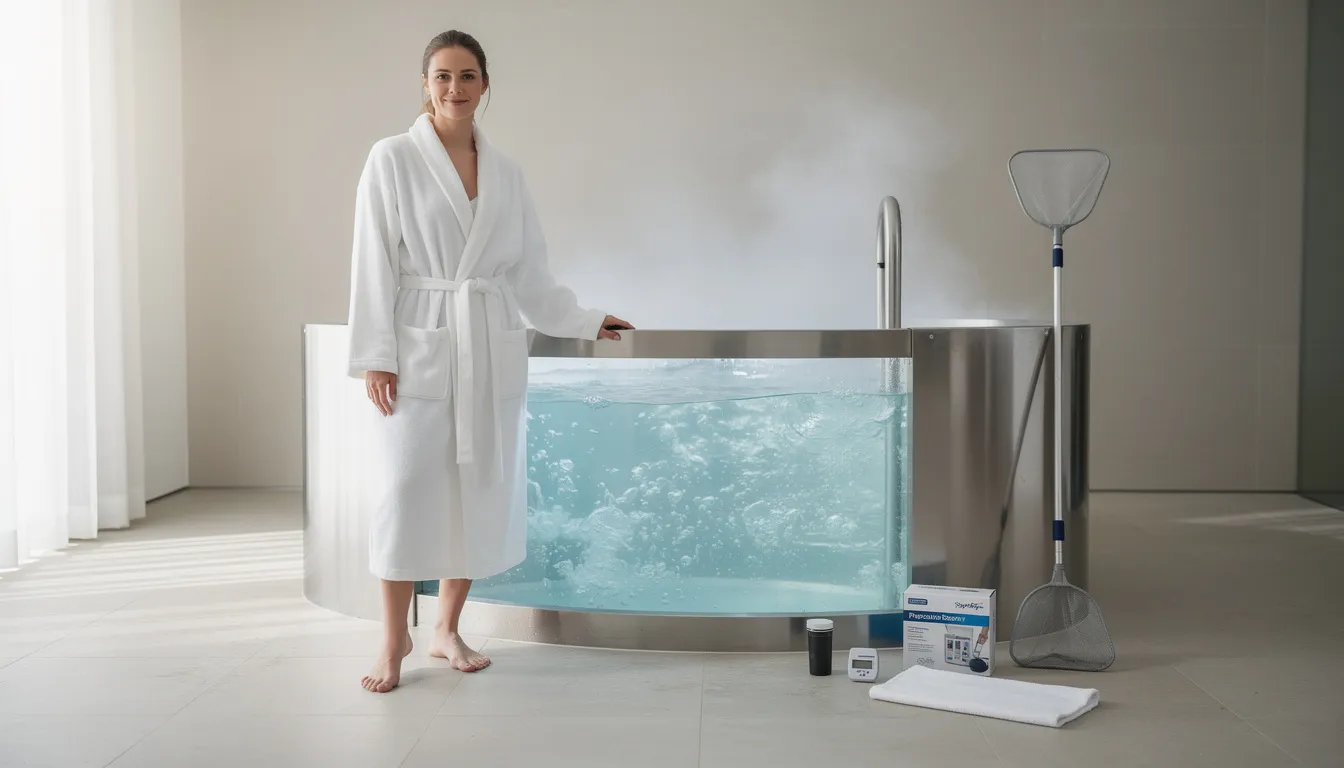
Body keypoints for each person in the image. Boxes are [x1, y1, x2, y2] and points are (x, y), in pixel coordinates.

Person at [345, 29, 632, 693]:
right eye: (442, 76)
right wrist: (377, 356)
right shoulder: (391, 158)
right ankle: (394, 637)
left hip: (488, 343)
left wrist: (586, 320)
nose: (455, 88)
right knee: (403, 494)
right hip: (420, 343)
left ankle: (445, 628)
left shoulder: (506, 172)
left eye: (467, 76)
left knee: (476, 495)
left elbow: (530, 273)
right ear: (425, 84)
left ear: (485, 85)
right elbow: (371, 261)